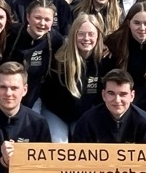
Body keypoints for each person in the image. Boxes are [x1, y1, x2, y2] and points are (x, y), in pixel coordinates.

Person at [41, 13, 107, 142]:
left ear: (98, 36)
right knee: (59, 144)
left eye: (91, 34)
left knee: (85, 144)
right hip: (57, 113)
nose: (86, 38)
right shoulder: (60, 60)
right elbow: (48, 94)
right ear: (74, 35)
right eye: (81, 34)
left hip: (84, 115)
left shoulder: (103, 60)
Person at [6, 0, 64, 110]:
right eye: (37, 18)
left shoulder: (55, 40)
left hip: (33, 100)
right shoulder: (12, 33)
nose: (42, 23)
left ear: (53, 22)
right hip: (7, 95)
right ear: (28, 17)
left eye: (47, 19)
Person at [103, 1, 146, 114]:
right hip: (119, 102)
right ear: (129, 23)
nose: (142, 28)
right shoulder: (113, 44)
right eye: (137, 23)